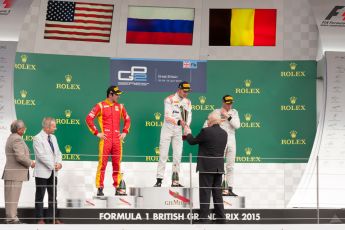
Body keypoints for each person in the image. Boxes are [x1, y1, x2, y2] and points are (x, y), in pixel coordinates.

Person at [86, 86, 131, 196]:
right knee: (102, 164)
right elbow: (89, 118)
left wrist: (125, 132)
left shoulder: (120, 107)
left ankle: (118, 188)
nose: (118, 96)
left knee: (117, 165)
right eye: (116, 94)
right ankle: (100, 188)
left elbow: (128, 119)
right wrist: (97, 133)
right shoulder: (100, 105)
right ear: (110, 94)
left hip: (117, 140)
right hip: (105, 140)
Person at [185, 112, 227, 223]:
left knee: (205, 192)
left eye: (208, 120)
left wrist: (188, 133)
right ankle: (221, 218)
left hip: (207, 167)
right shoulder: (224, 133)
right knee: (217, 194)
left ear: (212, 121)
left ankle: (203, 219)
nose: (207, 121)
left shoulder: (206, 131)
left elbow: (192, 141)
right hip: (219, 167)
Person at [154, 81, 192, 187]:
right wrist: (180, 122)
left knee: (177, 155)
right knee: (163, 155)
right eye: (184, 91)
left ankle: (175, 180)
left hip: (179, 130)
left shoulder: (188, 102)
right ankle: (159, 180)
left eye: (187, 91)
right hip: (167, 129)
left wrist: (186, 126)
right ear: (179, 89)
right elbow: (167, 116)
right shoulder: (169, 99)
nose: (186, 93)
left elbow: (189, 116)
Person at [203, 95, 240, 196]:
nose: (229, 105)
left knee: (230, 166)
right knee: (219, 166)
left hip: (232, 140)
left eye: (231, 103)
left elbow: (237, 125)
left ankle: (229, 188)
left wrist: (227, 115)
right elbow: (206, 125)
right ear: (223, 102)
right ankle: (218, 188)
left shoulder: (234, 112)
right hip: (220, 141)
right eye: (227, 103)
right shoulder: (216, 112)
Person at [2, 120, 35, 224]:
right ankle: (12, 219)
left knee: (12, 198)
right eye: (23, 128)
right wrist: (31, 163)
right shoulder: (17, 139)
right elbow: (20, 157)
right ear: (19, 129)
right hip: (14, 174)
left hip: (13, 173)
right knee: (12, 198)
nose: (25, 129)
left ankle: (12, 218)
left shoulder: (12, 137)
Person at [33, 117, 63, 224]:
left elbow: (58, 152)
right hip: (42, 172)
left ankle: (53, 218)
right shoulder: (37, 138)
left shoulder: (53, 137)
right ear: (47, 127)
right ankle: (39, 219)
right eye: (54, 126)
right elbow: (41, 156)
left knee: (53, 196)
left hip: (53, 172)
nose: (55, 128)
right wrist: (53, 165)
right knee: (40, 196)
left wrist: (59, 163)